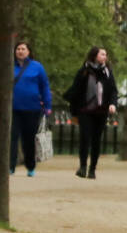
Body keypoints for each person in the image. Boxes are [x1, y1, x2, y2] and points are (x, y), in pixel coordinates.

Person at [63, 46, 118, 179]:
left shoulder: (107, 72)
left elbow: (113, 90)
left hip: (101, 111)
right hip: (85, 110)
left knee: (96, 140)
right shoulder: (84, 71)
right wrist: (74, 110)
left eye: (106, 54)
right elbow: (75, 90)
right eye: (102, 54)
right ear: (94, 56)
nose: (105, 56)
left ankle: (92, 169)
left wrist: (112, 104)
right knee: (85, 138)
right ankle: (82, 166)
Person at [10, 41, 52, 176]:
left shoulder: (37, 67)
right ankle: (10, 166)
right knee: (12, 138)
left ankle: (30, 166)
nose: (20, 51)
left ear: (28, 52)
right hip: (13, 108)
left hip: (32, 109)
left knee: (29, 139)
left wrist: (47, 105)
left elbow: (44, 86)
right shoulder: (9, 66)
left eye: (23, 49)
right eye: (18, 49)